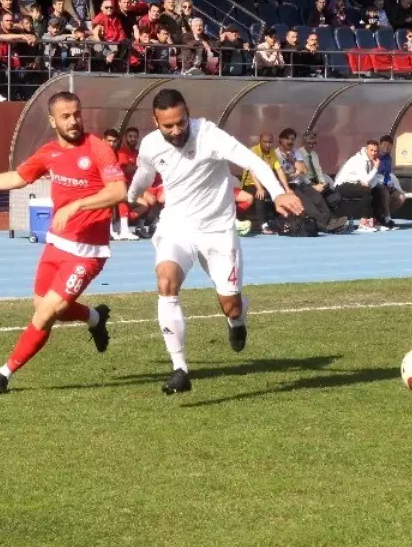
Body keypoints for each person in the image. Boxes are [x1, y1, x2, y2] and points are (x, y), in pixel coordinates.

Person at [0, 91, 127, 394]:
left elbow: (118, 192)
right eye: (65, 116)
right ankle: (94, 317)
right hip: (56, 244)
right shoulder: (49, 152)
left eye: (76, 114)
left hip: (87, 251)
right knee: (45, 307)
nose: (73, 121)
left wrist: (78, 206)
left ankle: (4, 373)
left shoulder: (99, 149)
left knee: (46, 313)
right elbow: (17, 177)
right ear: (53, 120)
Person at [127, 88, 305, 394]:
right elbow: (144, 174)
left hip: (218, 231)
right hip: (177, 226)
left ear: (188, 114)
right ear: (155, 122)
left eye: (181, 122)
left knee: (230, 305)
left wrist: (279, 193)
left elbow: (254, 162)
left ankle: (237, 322)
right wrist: (132, 198)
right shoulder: (151, 145)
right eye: (168, 125)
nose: (176, 130)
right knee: (166, 282)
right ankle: (179, 369)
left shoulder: (209, 135)